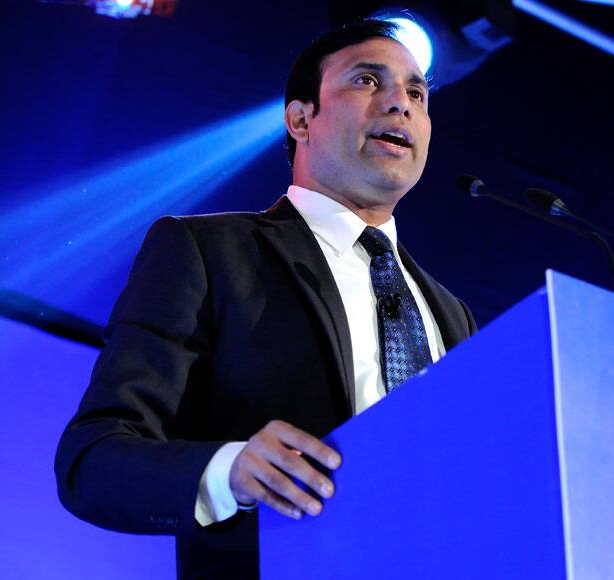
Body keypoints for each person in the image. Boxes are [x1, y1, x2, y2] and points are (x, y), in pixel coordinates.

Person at [55, 19, 476, 578]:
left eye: (417, 93)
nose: (400, 103)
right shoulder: (208, 252)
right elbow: (93, 461)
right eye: (368, 82)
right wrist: (231, 472)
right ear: (301, 118)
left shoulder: (453, 314)